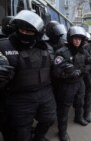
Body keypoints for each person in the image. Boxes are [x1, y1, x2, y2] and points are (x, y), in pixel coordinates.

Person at [0, 10, 56, 141]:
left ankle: (38, 137)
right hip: (19, 97)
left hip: (45, 93)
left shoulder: (46, 48)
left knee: (49, 119)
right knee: (21, 131)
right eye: (22, 30)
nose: (24, 33)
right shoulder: (3, 46)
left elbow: (55, 69)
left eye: (29, 31)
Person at [53, 26, 89, 141]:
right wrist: (69, 74)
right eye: (75, 38)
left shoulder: (83, 51)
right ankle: (62, 131)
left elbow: (89, 62)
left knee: (80, 102)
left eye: (80, 39)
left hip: (80, 82)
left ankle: (78, 118)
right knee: (64, 108)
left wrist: (83, 70)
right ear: (70, 39)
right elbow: (56, 71)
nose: (77, 41)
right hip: (67, 85)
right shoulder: (62, 52)